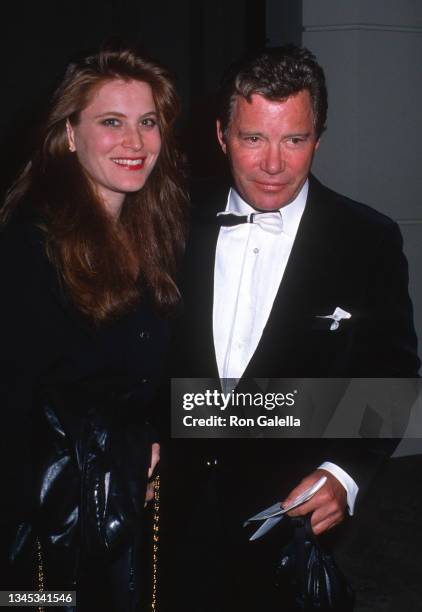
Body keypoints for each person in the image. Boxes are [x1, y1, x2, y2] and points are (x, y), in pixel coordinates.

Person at [167, 45, 420, 611]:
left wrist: (344, 473)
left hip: (288, 515)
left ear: (318, 139)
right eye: (254, 138)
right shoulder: (169, 218)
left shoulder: (368, 239)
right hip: (169, 509)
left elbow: (392, 374)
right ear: (221, 135)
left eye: (295, 139)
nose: (274, 164)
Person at [0, 45, 188, 611]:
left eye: (147, 123)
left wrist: (154, 440)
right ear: (69, 135)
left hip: (121, 505)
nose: (135, 143)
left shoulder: (157, 230)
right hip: (43, 517)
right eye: (112, 123)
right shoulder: (30, 248)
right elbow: (11, 408)